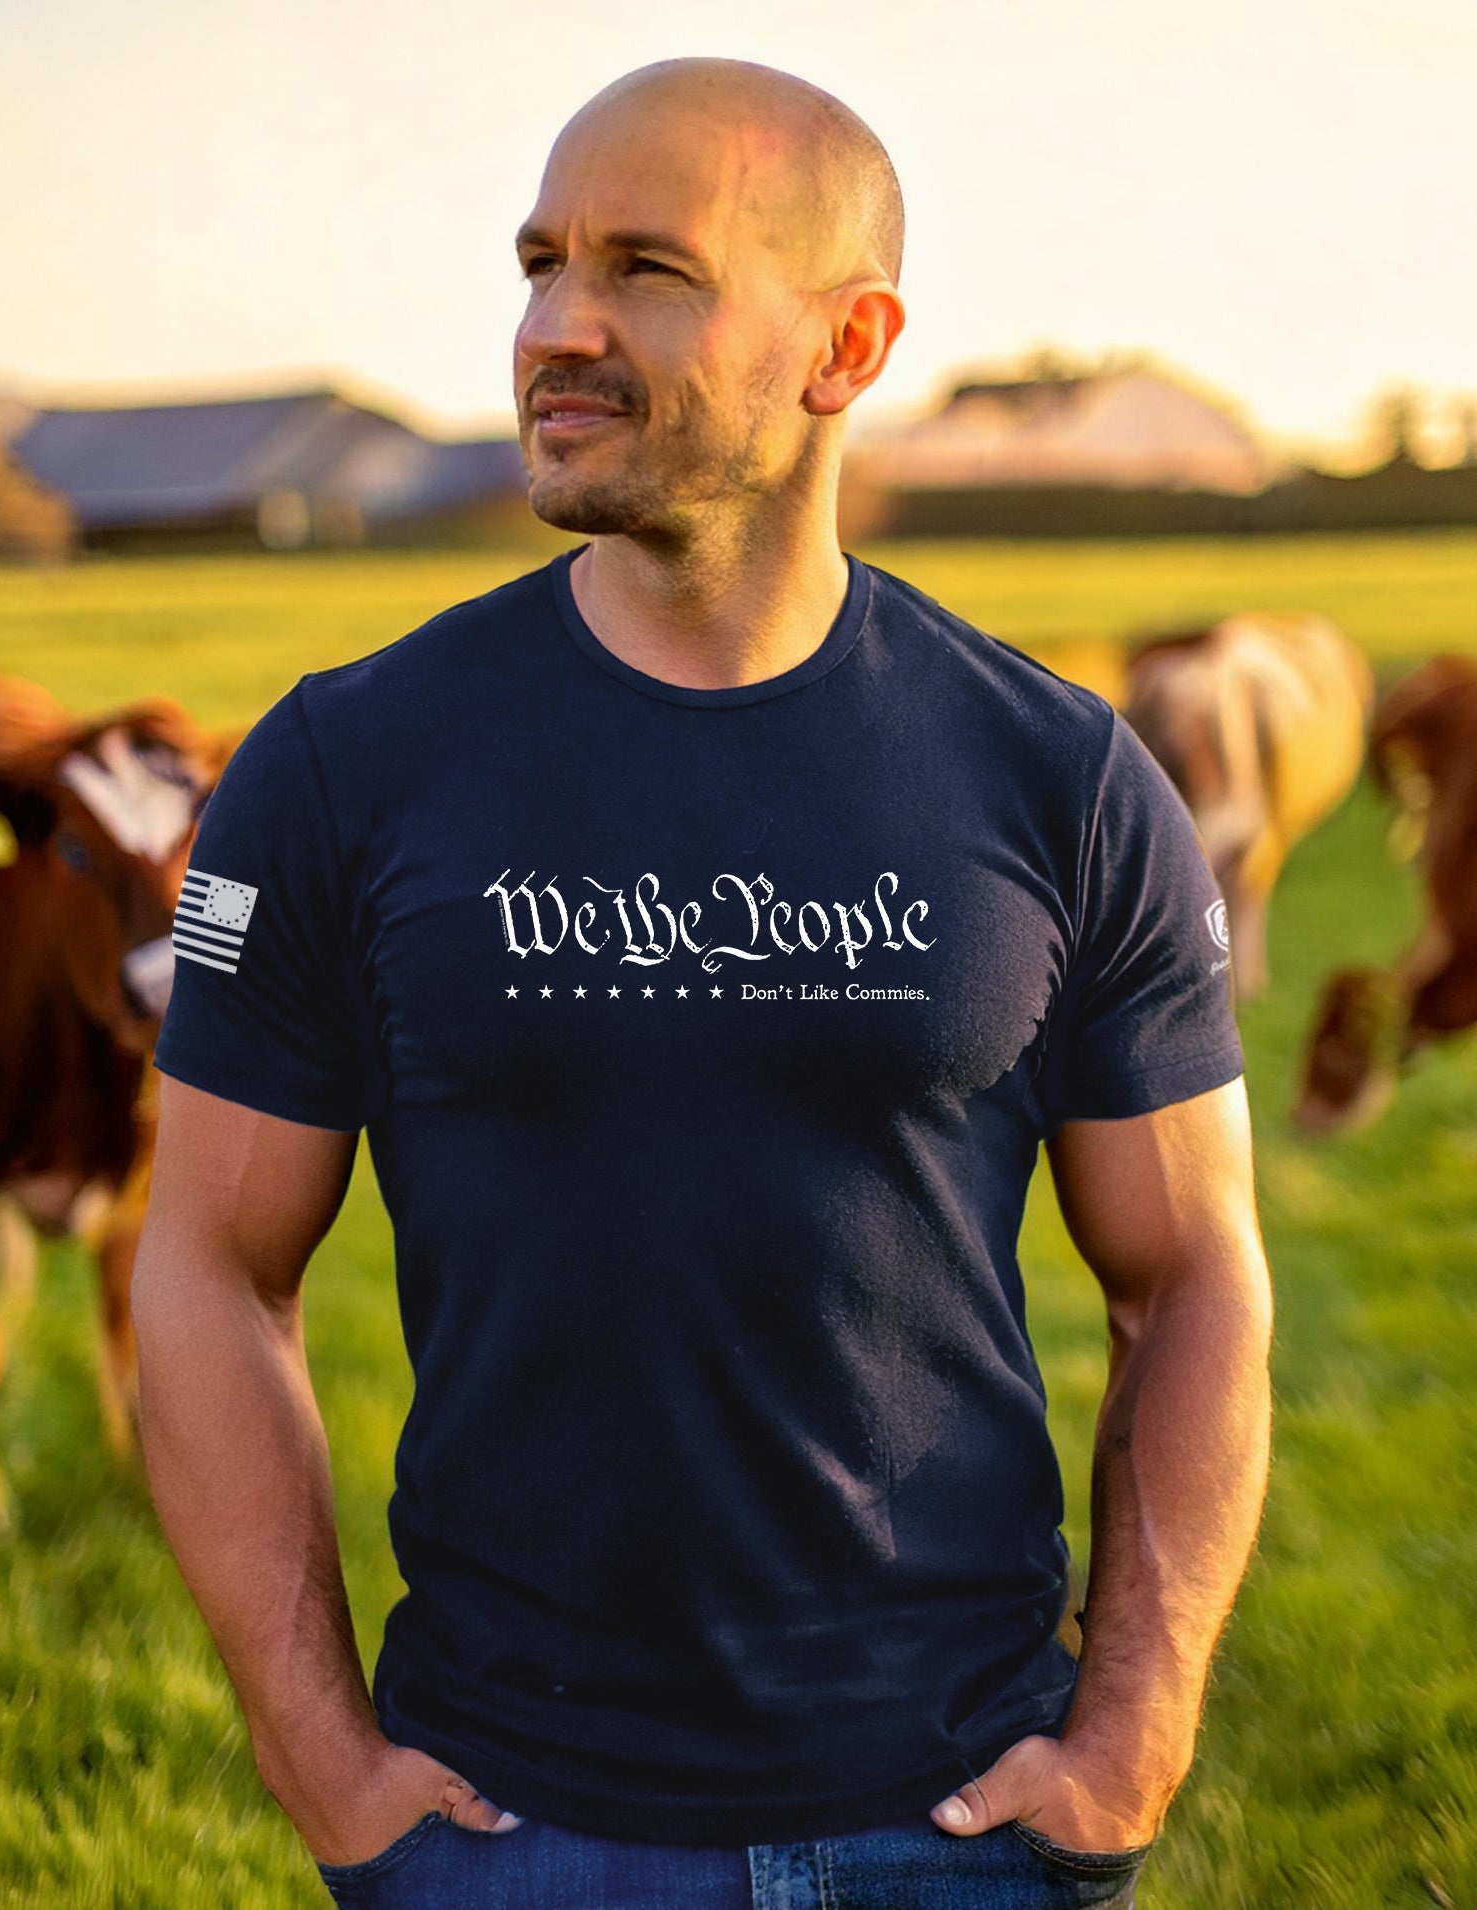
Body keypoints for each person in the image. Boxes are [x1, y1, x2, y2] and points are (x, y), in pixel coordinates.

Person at [133, 55, 1274, 1910]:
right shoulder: (339, 768)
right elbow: (200, 1259)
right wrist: (327, 1764)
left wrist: (1132, 1731)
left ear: (849, 344)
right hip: (506, 1830)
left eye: (647, 271)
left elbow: (1196, 1268)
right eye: (540, 260)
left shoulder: (1060, 778)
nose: (557, 326)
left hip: (960, 1824)